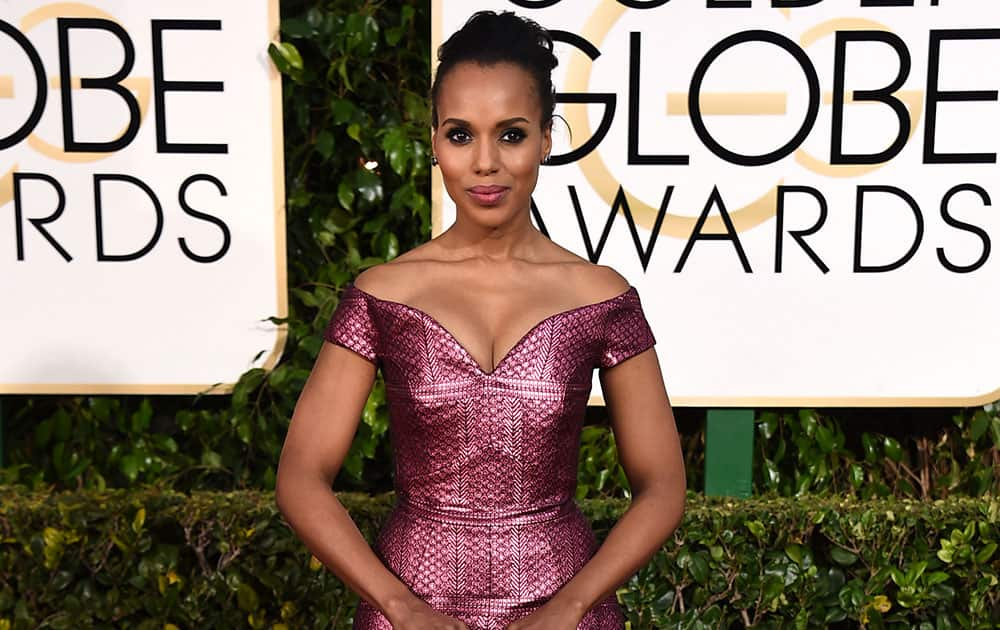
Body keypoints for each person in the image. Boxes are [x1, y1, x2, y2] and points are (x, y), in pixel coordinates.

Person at [275, 10, 685, 630]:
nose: (486, 163)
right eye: (462, 135)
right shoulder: (382, 294)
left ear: (547, 137)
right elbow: (302, 477)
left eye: (512, 134)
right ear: (435, 140)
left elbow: (662, 488)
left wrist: (571, 607)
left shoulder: (602, 297)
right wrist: (403, 608)